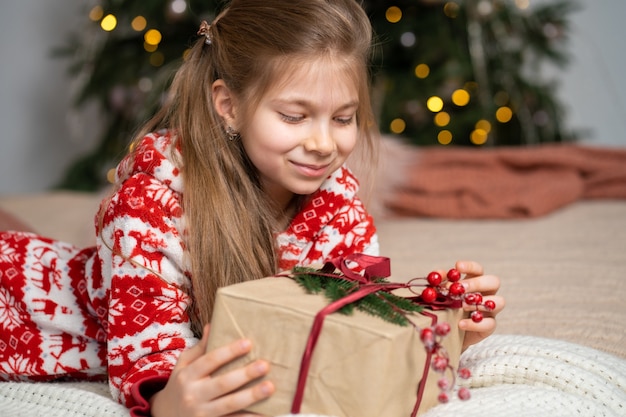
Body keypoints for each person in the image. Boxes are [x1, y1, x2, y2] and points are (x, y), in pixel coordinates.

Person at [0, 0, 504, 416]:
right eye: (294, 116)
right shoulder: (149, 208)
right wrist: (168, 402)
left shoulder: (337, 198)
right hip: (18, 309)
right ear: (229, 106)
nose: (324, 144)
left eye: (344, 118)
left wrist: (444, 325)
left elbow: (350, 310)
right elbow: (145, 358)